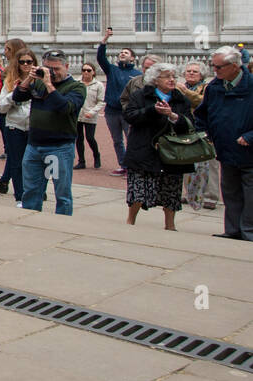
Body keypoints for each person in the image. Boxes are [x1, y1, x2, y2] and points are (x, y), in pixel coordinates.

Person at [12, 48, 85, 216]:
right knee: (30, 191)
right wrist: (29, 78)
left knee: (62, 192)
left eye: (57, 69)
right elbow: (18, 97)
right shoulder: (37, 83)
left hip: (59, 147)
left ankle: (63, 222)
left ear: (66, 66)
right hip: (34, 145)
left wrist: (49, 84)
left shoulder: (76, 87)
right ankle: (31, 221)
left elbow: (65, 107)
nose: (52, 73)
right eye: (48, 68)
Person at [122, 62, 193, 231]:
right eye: (167, 76)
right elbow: (130, 116)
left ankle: (170, 225)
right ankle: (131, 220)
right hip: (144, 148)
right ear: (155, 80)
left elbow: (190, 124)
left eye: (173, 76)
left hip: (172, 151)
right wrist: (152, 111)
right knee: (138, 190)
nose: (171, 80)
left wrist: (173, 116)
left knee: (171, 190)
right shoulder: (140, 95)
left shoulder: (180, 98)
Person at [194, 46, 253, 240]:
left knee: (250, 195)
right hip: (226, 149)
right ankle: (232, 230)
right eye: (213, 66)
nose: (215, 71)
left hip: (249, 151)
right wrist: (203, 133)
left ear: (235, 66)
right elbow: (202, 114)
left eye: (219, 67)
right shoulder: (214, 87)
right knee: (230, 192)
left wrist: (250, 136)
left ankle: (249, 232)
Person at [0, 50, 35, 205]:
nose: (26, 65)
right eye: (22, 62)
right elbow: (1, 107)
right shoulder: (10, 82)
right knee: (17, 162)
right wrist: (15, 93)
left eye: (29, 61)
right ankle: (20, 196)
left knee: (36, 163)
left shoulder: (41, 80)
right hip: (15, 126)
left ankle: (35, 192)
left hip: (36, 127)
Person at [96, 28, 141, 176]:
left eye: (126, 53)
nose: (122, 54)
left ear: (133, 59)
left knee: (132, 140)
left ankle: (132, 165)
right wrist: (105, 39)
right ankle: (123, 165)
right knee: (117, 141)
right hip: (111, 111)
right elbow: (101, 58)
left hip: (128, 112)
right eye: (121, 52)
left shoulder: (137, 74)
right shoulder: (112, 70)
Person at [176, 61, 219, 210]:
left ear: (202, 75)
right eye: (188, 71)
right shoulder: (178, 87)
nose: (191, 73)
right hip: (185, 128)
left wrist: (186, 93)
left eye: (195, 71)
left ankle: (210, 196)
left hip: (204, 129)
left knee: (210, 164)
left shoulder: (208, 88)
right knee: (185, 162)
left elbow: (202, 102)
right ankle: (187, 193)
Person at [74, 61, 105, 170]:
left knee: (90, 137)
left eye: (88, 70)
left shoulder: (99, 85)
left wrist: (92, 112)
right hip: (78, 115)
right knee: (79, 138)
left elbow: (101, 101)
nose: (86, 72)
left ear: (93, 72)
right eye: (84, 70)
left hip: (90, 116)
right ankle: (81, 161)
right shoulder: (76, 82)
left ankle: (96, 156)